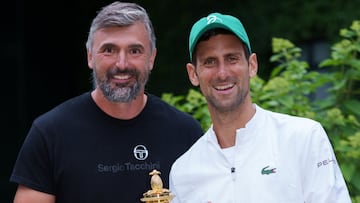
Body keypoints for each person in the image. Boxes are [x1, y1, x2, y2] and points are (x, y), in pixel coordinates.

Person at [10, 2, 203, 203]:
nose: (122, 64)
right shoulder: (50, 134)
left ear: (151, 58)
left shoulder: (185, 133)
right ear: (90, 57)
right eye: (109, 50)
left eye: (135, 51)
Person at [169, 12, 352, 203]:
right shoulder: (183, 173)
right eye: (210, 62)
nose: (222, 73)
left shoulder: (303, 138)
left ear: (252, 65)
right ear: (193, 74)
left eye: (232, 58)